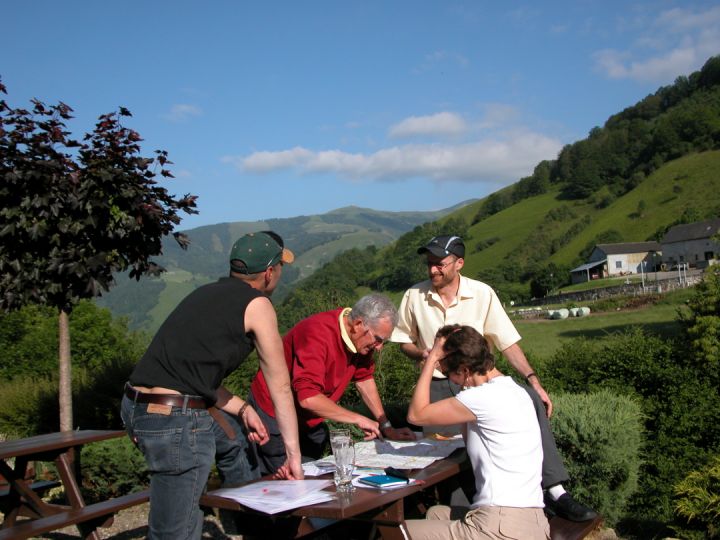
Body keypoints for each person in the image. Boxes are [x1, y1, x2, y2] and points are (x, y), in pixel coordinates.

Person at [392, 234, 597, 522]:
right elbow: (403, 341)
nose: (432, 270)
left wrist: (533, 379)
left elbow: (507, 342)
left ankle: (555, 491)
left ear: (459, 263)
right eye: (429, 264)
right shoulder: (413, 296)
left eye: (440, 264)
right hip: (438, 384)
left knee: (529, 400)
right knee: (451, 463)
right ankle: (465, 521)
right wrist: (424, 355)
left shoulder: (482, 293)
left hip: (479, 382)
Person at [121, 231, 303, 539]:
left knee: (232, 441)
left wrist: (243, 408)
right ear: (269, 272)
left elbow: (189, 373)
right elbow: (280, 385)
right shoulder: (258, 305)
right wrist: (293, 455)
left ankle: (254, 525)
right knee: (175, 532)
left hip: (136, 406)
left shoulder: (204, 293)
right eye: (280, 268)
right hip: (173, 420)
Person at [405, 325, 550, 540]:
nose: (447, 378)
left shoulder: (482, 398)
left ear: (464, 370)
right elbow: (469, 436)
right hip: (534, 521)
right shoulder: (517, 391)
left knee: (397, 532)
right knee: (436, 514)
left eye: (445, 372)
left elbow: (416, 415)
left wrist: (431, 358)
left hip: (500, 525)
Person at [248, 293, 416, 475]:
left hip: (310, 420)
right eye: (378, 339)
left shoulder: (361, 340)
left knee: (314, 473)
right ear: (358, 324)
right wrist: (358, 419)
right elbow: (308, 398)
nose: (379, 347)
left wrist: (385, 426)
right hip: (273, 414)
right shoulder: (318, 334)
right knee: (285, 481)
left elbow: (364, 379)